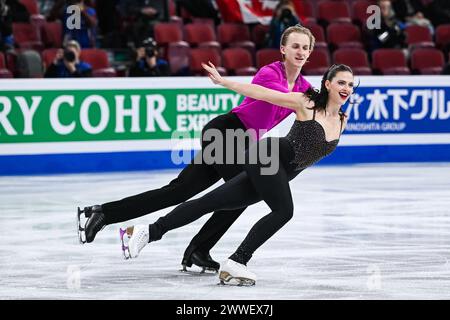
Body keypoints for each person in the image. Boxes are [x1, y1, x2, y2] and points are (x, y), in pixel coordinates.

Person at [77, 25, 315, 273]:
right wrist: (225, 82)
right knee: (243, 190)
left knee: (178, 192)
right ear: (283, 49)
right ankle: (196, 248)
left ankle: (102, 213)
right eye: (295, 46)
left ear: (310, 53)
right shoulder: (270, 73)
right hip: (225, 132)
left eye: (305, 47)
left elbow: (321, 105)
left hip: (246, 141)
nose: (300, 51)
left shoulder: (304, 87)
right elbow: (277, 97)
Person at [122, 62, 353, 285]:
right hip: (269, 156)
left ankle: (147, 231)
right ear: (327, 84)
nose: (346, 89)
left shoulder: (342, 120)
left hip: (278, 169)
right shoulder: (307, 103)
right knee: (283, 211)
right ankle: (237, 260)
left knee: (212, 202)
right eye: (341, 82)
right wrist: (224, 82)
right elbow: (261, 93)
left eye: (351, 85)